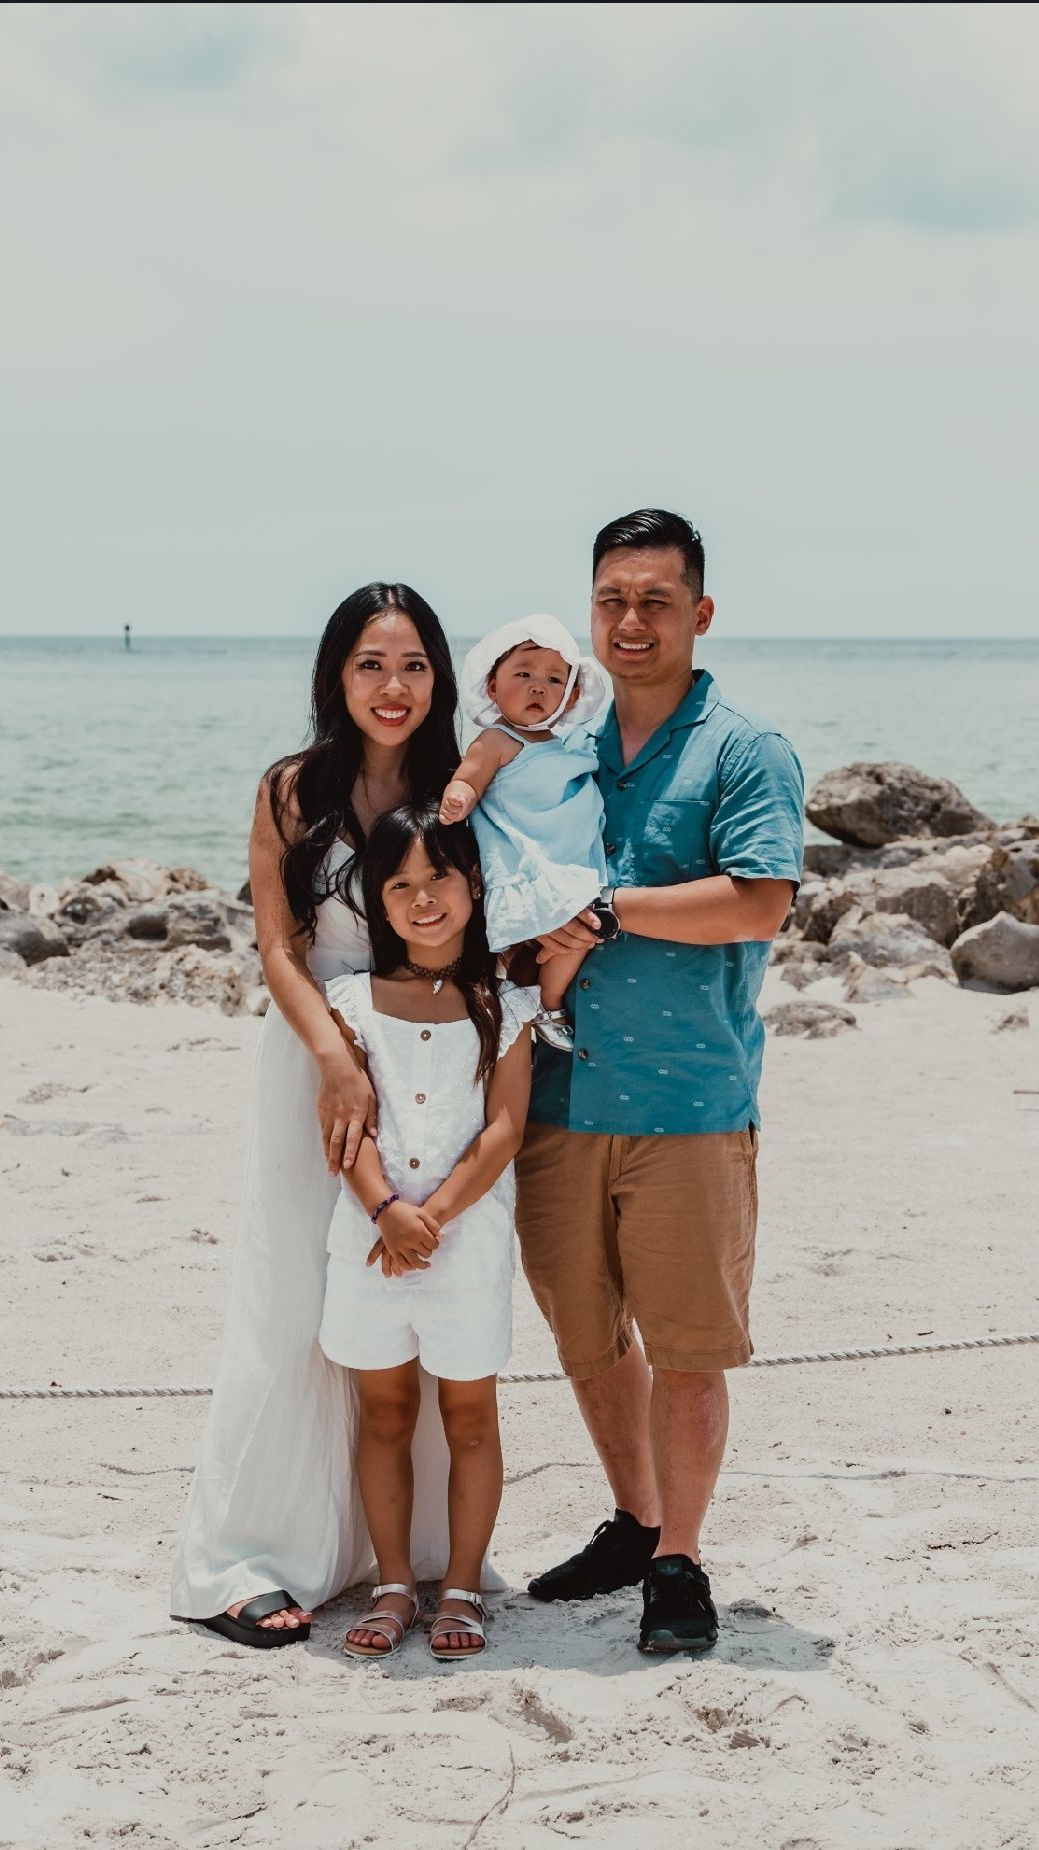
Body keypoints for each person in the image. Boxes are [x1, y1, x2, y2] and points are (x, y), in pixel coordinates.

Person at [169, 582, 496, 1647]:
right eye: (369, 664)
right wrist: (332, 1060)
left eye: (411, 664)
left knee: (422, 1281)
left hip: (436, 1056)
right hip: (315, 1050)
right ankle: (256, 1551)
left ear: (439, 675)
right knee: (298, 1291)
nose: (392, 686)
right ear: (336, 675)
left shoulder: (465, 788)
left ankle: (421, 1559)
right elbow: (277, 944)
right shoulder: (288, 788)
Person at [514, 509, 804, 1654]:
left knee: (687, 1345)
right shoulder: (558, 736)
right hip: (551, 1096)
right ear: (590, 608)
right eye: (612, 600)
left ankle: (680, 1556)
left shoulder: (743, 747)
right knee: (587, 1336)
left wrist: (603, 910)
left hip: (689, 1098)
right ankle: (634, 1519)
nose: (631, 621)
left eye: (656, 600)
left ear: (700, 612)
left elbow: (759, 897)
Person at [320, 804, 536, 1660]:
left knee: (471, 1418)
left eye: (440, 877)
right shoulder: (349, 1001)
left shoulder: (506, 1003)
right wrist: (386, 1211)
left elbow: (505, 1130)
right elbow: (345, 1129)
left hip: (466, 1248)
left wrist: (432, 1218)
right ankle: (396, 1582)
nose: (423, 898)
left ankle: (462, 1586)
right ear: (377, 898)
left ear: (474, 885)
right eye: (400, 884)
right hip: (369, 1245)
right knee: (383, 1415)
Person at [439, 614, 609, 1049]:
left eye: (554, 679)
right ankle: (548, 1004)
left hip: (560, 854)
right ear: (493, 687)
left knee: (577, 933)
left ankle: (534, 999)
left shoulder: (564, 745)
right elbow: (469, 776)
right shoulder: (495, 739)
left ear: (569, 698)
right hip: (525, 859)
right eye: (523, 674)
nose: (538, 686)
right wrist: (459, 795)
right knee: (575, 928)